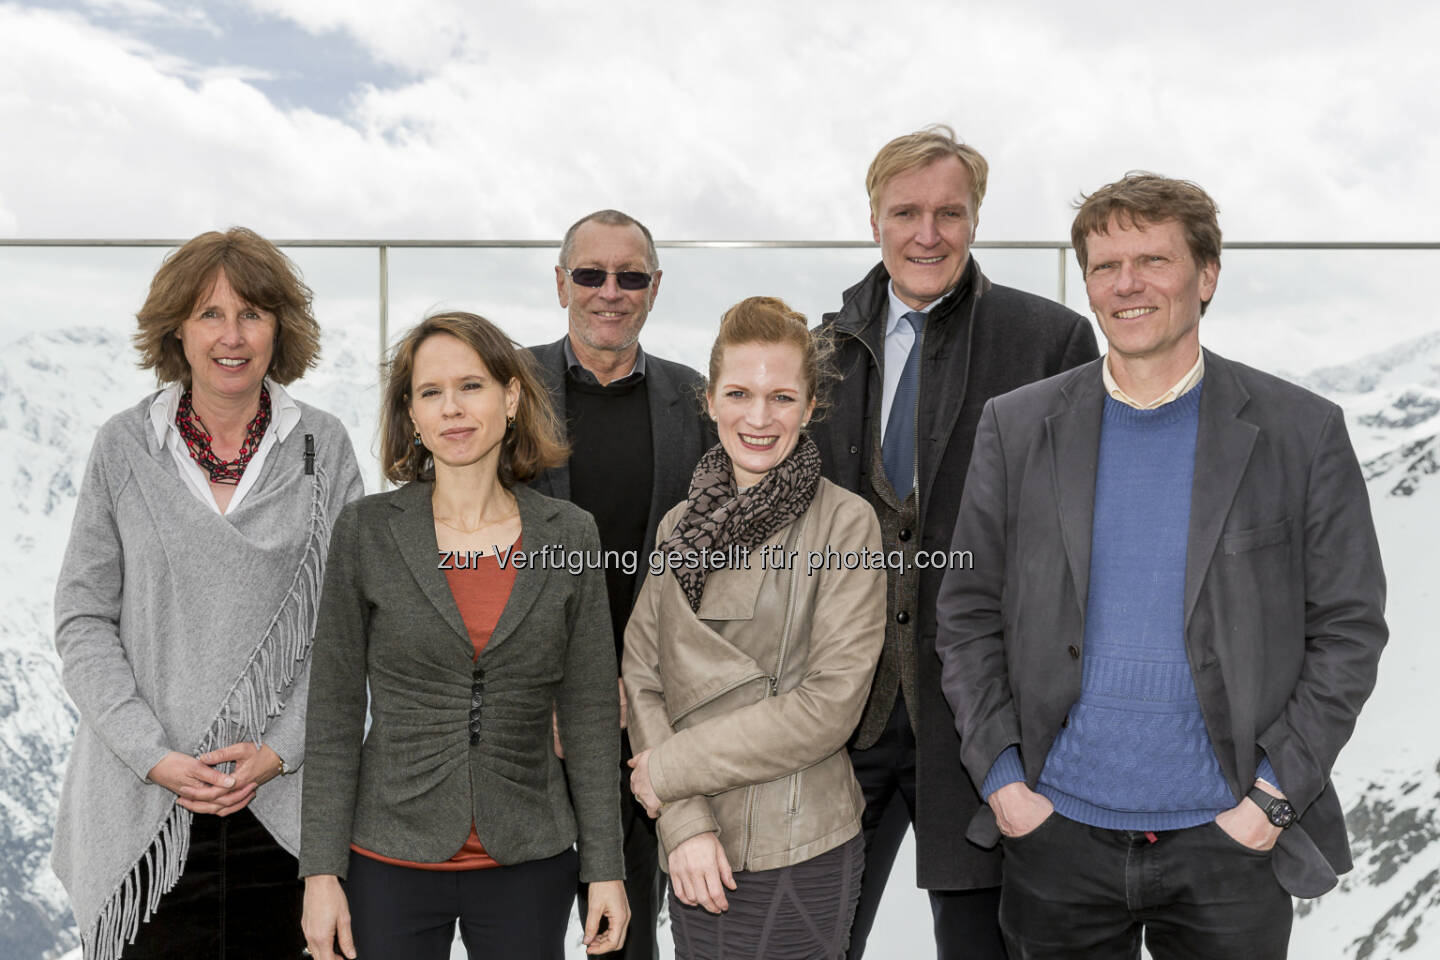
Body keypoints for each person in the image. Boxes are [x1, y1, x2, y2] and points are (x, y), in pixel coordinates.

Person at [935, 173, 1388, 959]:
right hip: (1055, 833)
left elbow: (1348, 629)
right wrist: (1005, 782)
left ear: (1206, 275)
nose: (1127, 285)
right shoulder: (1016, 426)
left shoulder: (1299, 431)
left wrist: (1271, 800)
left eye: (1152, 260)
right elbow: (967, 610)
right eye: (1106, 267)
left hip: (1231, 843)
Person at [806, 125, 1099, 959]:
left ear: (975, 221)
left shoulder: (1051, 344)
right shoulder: (815, 355)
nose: (926, 233)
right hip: (837, 722)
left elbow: (1079, 548)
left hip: (982, 729)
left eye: (949, 212)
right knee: (809, 940)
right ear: (874, 221)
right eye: (905, 212)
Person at [51, 227, 364, 960]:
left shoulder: (323, 448)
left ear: (279, 328)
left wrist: (278, 751)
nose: (233, 335)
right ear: (177, 331)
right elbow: (82, 620)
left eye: (252, 313)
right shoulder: (124, 446)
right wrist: (151, 754)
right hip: (145, 807)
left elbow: (347, 627)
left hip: (286, 808)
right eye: (210, 314)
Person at [299, 311, 629, 960]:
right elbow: (334, 713)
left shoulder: (570, 534)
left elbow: (589, 714)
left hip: (529, 859)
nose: (451, 408)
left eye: (471, 386)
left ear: (510, 398)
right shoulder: (365, 532)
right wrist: (320, 875)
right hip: (387, 855)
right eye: (430, 392)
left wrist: (606, 868)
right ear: (411, 415)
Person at [624, 296, 886, 960]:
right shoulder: (678, 525)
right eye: (739, 393)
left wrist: (669, 769)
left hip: (799, 844)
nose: (760, 417)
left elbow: (829, 707)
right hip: (694, 842)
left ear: (809, 407)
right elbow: (643, 677)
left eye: (782, 397)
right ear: (710, 401)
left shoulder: (847, 525)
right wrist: (682, 825)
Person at [530, 208, 713, 958]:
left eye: (631, 276)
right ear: (561, 283)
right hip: (527, 717)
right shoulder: (505, 386)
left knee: (629, 933)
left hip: (649, 716)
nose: (611, 291)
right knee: (521, 930)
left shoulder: (696, 401)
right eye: (591, 273)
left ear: (655, 288)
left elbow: (716, 563)